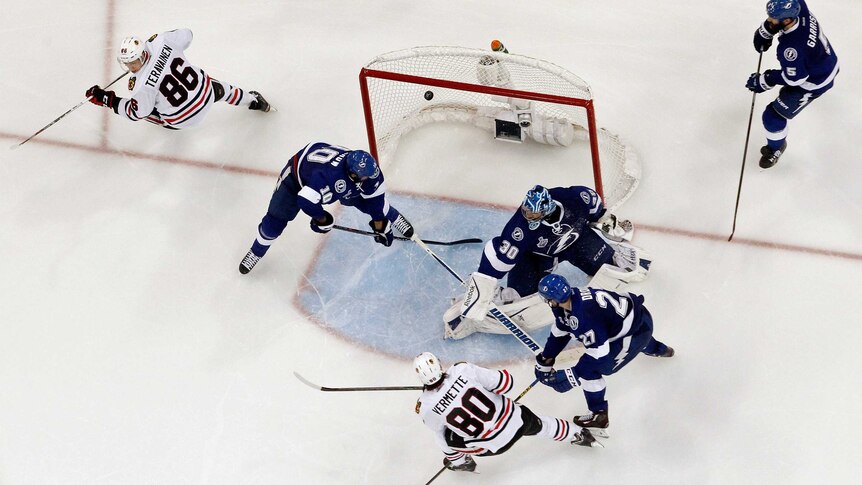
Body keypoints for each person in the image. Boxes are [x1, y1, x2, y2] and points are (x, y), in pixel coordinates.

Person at [444, 184, 650, 339]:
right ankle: (481, 311)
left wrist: (609, 224)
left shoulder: (576, 198)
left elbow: (597, 210)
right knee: (519, 296)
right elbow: (498, 258)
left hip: (577, 242)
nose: (527, 215)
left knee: (609, 264)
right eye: (526, 209)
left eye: (534, 213)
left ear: (548, 209)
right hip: (537, 257)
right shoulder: (520, 229)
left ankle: (614, 256)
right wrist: (481, 289)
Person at [532, 273, 673, 437]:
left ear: (552, 300)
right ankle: (661, 349)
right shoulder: (573, 299)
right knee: (625, 338)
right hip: (639, 319)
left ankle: (599, 415)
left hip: (635, 333)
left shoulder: (583, 317)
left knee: (589, 369)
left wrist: (573, 375)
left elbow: (599, 353)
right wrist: (545, 360)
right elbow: (561, 330)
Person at [238, 142, 414, 274]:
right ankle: (256, 251)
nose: (369, 179)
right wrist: (322, 218)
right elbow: (306, 200)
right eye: (363, 178)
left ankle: (394, 217)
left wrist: (380, 223)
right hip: (296, 177)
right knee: (273, 224)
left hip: (329, 174)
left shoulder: (369, 172)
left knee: (375, 206)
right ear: (352, 174)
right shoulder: (328, 177)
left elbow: (375, 197)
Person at [413, 352, 600, 474]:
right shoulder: (462, 370)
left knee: (443, 435)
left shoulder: (425, 405)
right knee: (543, 425)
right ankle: (578, 434)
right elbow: (506, 383)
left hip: (490, 447)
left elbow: (438, 431)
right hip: (518, 421)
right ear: (439, 365)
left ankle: (462, 462)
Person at [85, 29, 271, 130]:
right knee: (220, 88)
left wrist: (107, 100)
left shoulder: (141, 86)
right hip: (207, 94)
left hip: (183, 121)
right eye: (128, 63)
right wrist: (161, 41)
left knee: (147, 110)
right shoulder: (162, 41)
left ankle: (165, 121)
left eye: (132, 62)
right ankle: (254, 101)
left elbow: (136, 113)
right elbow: (188, 34)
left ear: (141, 55)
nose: (130, 67)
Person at [747, 0, 839, 168]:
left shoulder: (792, 49)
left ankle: (776, 147)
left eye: (773, 18)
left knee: (773, 116)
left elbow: (795, 79)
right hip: (824, 60)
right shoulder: (799, 6)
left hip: (815, 80)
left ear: (787, 21)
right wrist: (766, 30)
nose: (770, 19)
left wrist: (766, 79)